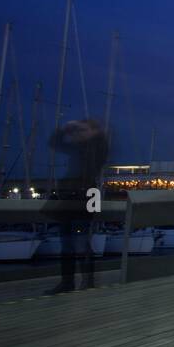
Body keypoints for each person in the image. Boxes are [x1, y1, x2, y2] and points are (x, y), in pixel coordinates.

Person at [45, 119, 109, 294]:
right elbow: (54, 143)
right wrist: (64, 128)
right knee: (66, 243)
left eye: (83, 130)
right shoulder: (79, 148)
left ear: (95, 132)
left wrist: (90, 133)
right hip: (72, 196)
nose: (78, 133)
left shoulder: (97, 147)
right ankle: (68, 282)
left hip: (86, 195)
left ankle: (86, 281)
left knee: (80, 241)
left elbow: (98, 148)